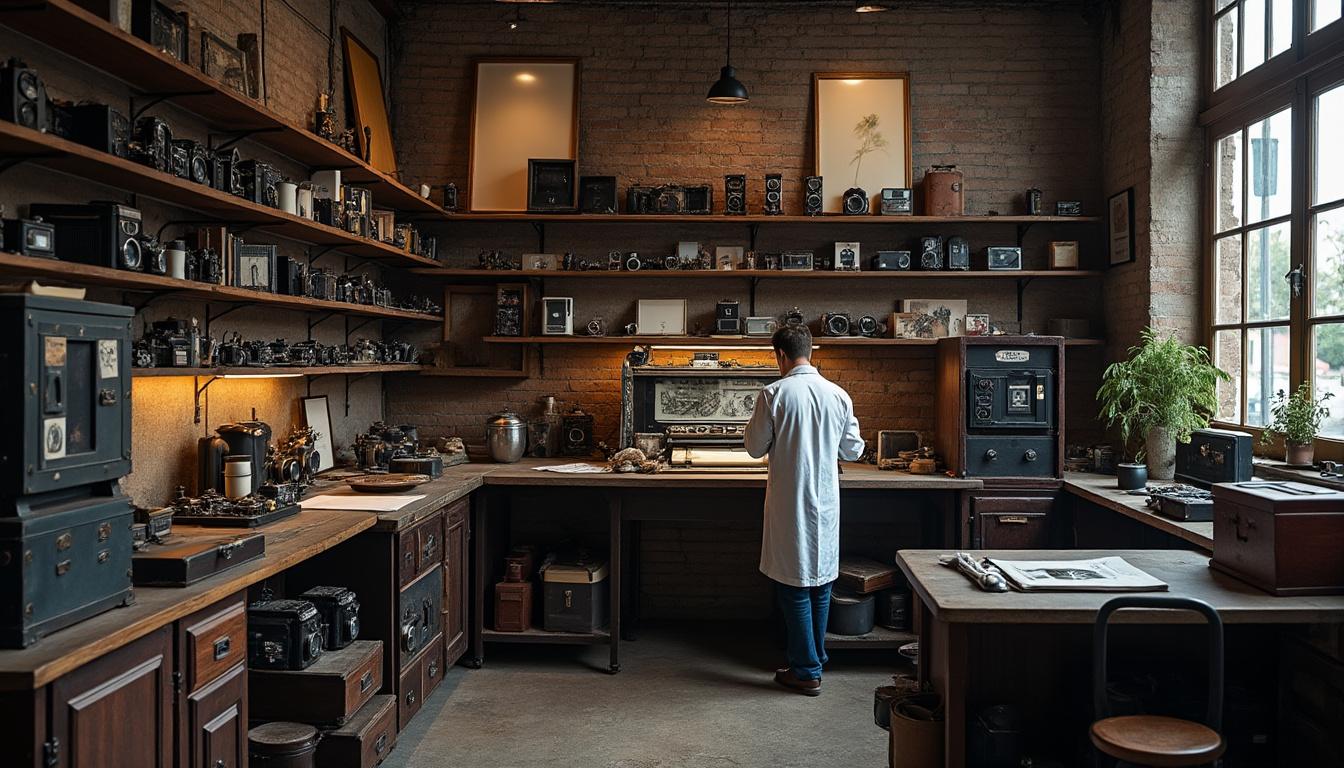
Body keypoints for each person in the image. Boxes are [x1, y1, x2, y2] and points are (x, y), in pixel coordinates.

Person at [744, 325, 864, 695]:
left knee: (793, 586)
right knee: (821, 584)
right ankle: (816, 658)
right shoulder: (838, 395)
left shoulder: (774, 394)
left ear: (780, 354)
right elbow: (853, 450)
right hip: (824, 502)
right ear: (810, 351)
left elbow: (753, 447)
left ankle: (807, 670)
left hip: (790, 503)